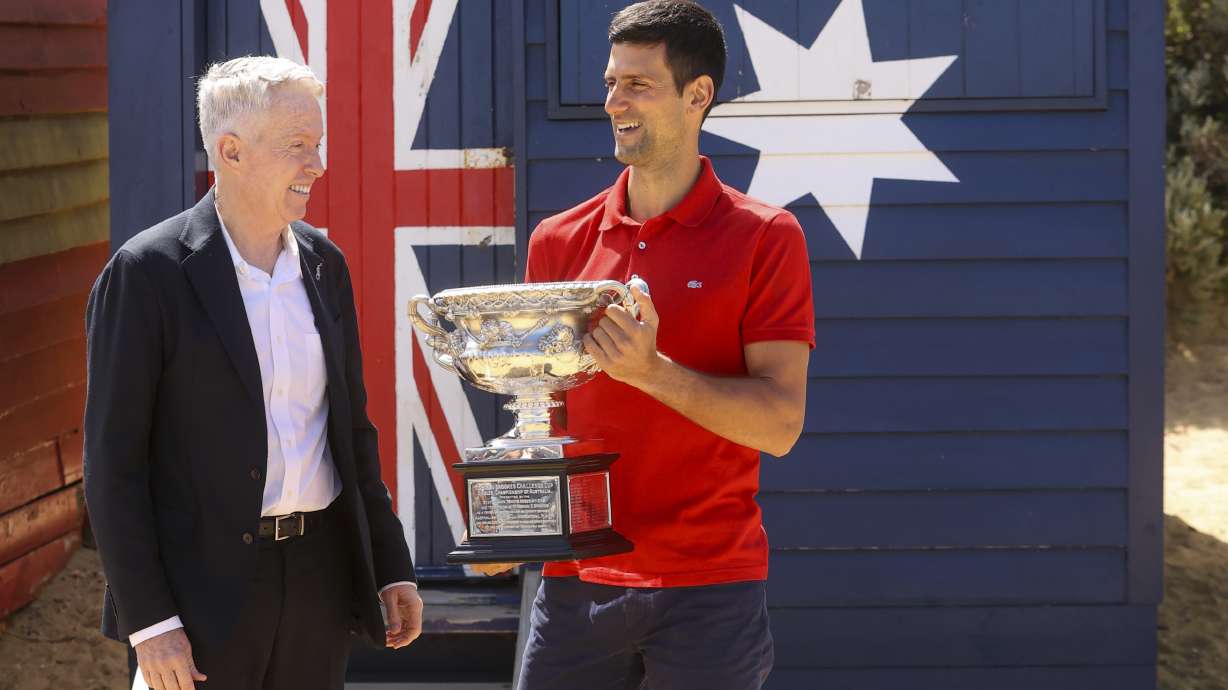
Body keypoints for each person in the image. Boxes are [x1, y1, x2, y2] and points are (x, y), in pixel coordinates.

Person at [483, 2, 814, 688]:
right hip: (576, 588)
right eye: (611, 82)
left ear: (699, 95)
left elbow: (780, 425)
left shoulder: (766, 237)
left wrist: (652, 372)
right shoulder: (558, 240)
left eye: (638, 84)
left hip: (710, 591)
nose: (613, 102)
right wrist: (511, 519)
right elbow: (541, 414)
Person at [84, 56, 422, 690]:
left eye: (317, 144)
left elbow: (350, 433)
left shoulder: (325, 265)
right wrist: (150, 623)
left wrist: (389, 565)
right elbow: (112, 465)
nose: (316, 164)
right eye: (297, 146)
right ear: (230, 151)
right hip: (199, 598)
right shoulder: (147, 273)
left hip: (319, 582)